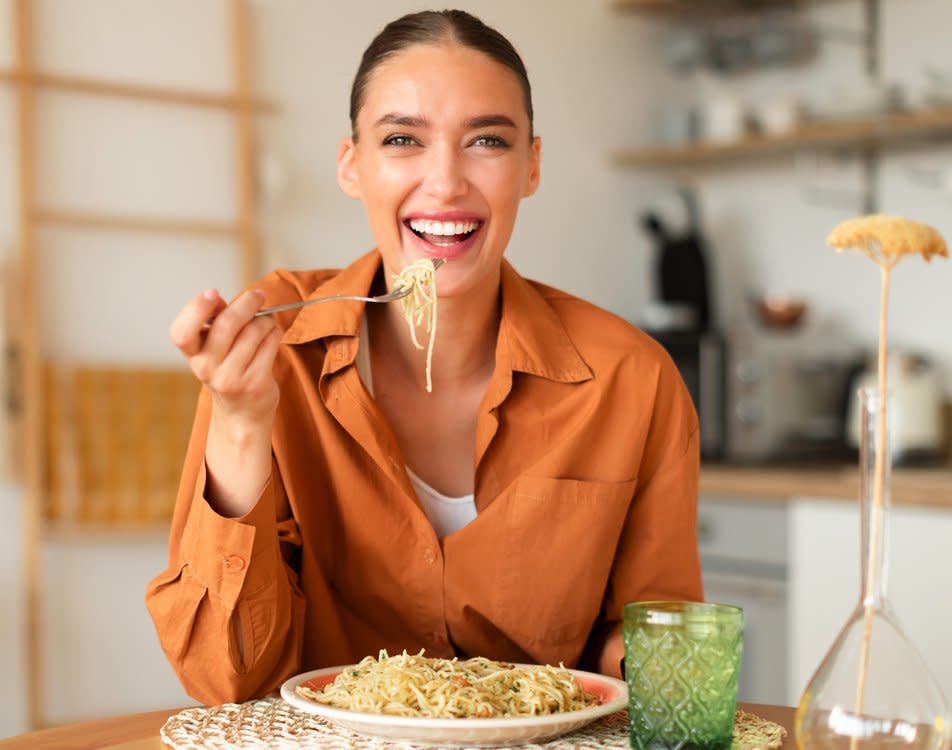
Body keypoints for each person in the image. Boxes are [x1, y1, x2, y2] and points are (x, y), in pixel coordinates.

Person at [146, 9, 702, 706]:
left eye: (487, 141)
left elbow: (663, 662)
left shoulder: (632, 379)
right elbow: (224, 680)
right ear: (352, 165)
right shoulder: (273, 352)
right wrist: (238, 424)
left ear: (530, 166)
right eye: (403, 139)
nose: (444, 183)